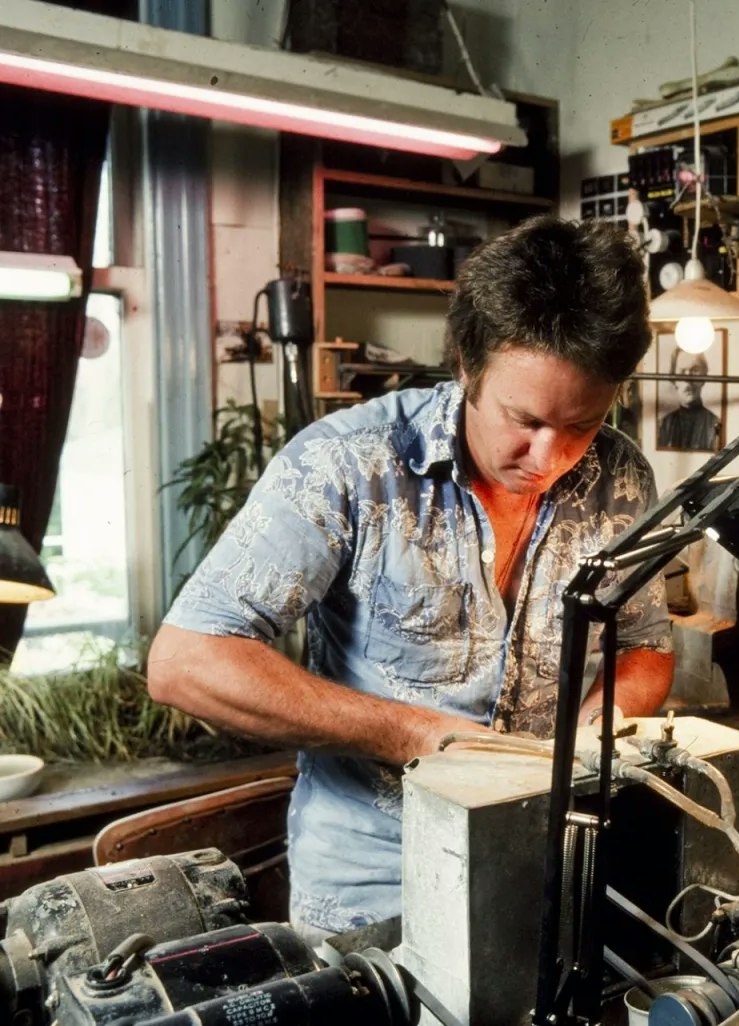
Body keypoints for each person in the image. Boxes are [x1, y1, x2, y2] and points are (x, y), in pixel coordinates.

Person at [146, 216, 675, 939]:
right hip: (376, 884)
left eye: (581, 424)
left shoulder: (619, 478)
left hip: (549, 864)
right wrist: (416, 735)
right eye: (523, 418)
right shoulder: (348, 463)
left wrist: (599, 731)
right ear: (465, 361)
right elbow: (186, 663)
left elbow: (645, 644)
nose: (548, 456)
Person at [657, 347, 721, 450]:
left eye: (695, 370)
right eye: (682, 372)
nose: (688, 380)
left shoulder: (716, 422)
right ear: (674, 380)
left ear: (704, 377)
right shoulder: (663, 425)